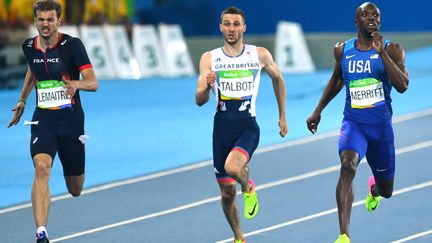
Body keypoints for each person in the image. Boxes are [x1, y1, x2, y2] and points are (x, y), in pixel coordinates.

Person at [306, 2, 409, 243]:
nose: (371, 18)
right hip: (354, 125)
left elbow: (403, 86)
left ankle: (374, 188)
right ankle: (344, 234)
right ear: (356, 21)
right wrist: (318, 110)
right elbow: (337, 79)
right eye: (366, 14)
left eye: (376, 15)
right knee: (348, 165)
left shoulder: (392, 49)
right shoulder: (343, 51)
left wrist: (381, 52)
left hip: (381, 130)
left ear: (380, 22)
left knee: (387, 191)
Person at [7, 1, 98, 242]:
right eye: (41, 20)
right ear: (35, 21)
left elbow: (93, 82)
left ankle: (76, 157)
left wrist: (76, 84)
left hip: (71, 121)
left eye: (50, 19)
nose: (45, 24)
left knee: (75, 189)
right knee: (41, 167)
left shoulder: (72, 46)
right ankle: (41, 232)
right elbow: (33, 71)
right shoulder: (29, 46)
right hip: (43, 118)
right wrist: (22, 100)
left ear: (58, 21)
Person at [195, 6, 287, 243]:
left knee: (234, 169)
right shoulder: (209, 58)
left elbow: (278, 79)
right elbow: (199, 100)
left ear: (244, 27)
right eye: (227, 24)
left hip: (247, 126)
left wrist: (282, 115)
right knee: (226, 193)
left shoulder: (259, 54)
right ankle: (239, 237)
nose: (231, 29)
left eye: (236, 24)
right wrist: (206, 84)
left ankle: (248, 187)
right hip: (221, 129)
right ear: (221, 27)